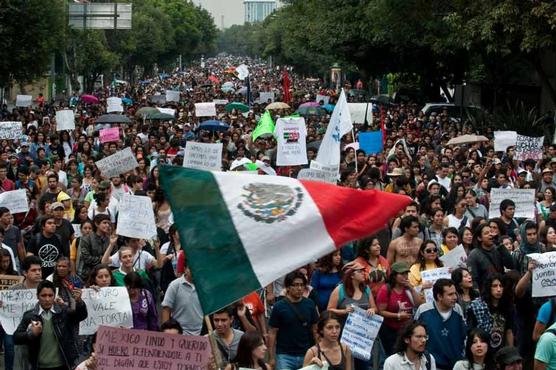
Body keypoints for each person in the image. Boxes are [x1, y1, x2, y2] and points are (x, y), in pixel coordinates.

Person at [13, 280, 88, 370]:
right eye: (43, 296)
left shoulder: (63, 313)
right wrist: (31, 333)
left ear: (54, 296)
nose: (47, 299)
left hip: (63, 365)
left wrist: (79, 301)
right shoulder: (30, 316)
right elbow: (16, 338)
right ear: (37, 296)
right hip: (39, 366)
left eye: (50, 295)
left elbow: (81, 316)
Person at [268, 271, 319, 370]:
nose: (299, 288)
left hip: (306, 353)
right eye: (295, 285)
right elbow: (272, 333)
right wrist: (271, 357)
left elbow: (315, 330)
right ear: (287, 287)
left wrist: (318, 351)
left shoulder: (310, 304)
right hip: (284, 355)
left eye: (302, 285)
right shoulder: (279, 306)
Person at [414, 279, 466, 370]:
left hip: (456, 365)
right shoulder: (423, 311)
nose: (455, 297)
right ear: (439, 296)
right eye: (450, 294)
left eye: (455, 293)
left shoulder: (457, 309)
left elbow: (464, 336)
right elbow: (413, 336)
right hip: (432, 366)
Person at [376, 262, 421, 355]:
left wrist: (412, 289)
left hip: (407, 329)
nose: (405, 276)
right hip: (390, 331)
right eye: (402, 274)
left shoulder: (408, 288)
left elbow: (418, 304)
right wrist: (398, 315)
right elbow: (381, 311)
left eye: (406, 274)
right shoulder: (386, 289)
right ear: (394, 276)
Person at [467, 273, 514, 354]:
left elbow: (509, 331)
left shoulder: (506, 306)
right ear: (489, 288)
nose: (498, 289)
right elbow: (471, 332)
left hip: (500, 351)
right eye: (495, 286)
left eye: (501, 286)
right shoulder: (477, 306)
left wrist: (511, 352)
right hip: (482, 351)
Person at [161, 263, 204, 335]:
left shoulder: (204, 286)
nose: (194, 271)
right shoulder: (175, 285)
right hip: (179, 332)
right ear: (185, 269)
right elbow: (166, 309)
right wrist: (165, 334)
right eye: (191, 268)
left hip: (200, 333)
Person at [77, 214, 113, 281]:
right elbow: (87, 258)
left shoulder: (110, 239)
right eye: (104, 223)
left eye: (108, 223)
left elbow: (114, 257)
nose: (107, 225)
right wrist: (103, 259)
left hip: (106, 275)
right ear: (96, 224)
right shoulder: (86, 239)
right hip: (89, 275)